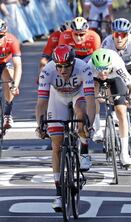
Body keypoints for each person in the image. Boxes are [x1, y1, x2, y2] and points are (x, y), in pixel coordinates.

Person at [35, 45, 96, 212]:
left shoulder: (84, 68)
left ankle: (83, 150)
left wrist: (89, 122)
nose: (62, 70)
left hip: (79, 96)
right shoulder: (47, 71)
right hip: (58, 98)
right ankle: (59, 193)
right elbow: (41, 103)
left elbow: (91, 100)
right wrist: (39, 124)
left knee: (82, 115)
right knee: (56, 144)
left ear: (73, 63)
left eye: (66, 66)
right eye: (59, 66)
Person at [99, 18, 131, 156]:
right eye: (116, 34)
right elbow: (103, 70)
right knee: (110, 88)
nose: (119, 38)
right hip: (112, 69)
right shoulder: (107, 43)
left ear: (128, 35)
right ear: (112, 34)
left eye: (123, 35)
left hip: (129, 68)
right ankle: (114, 112)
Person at [89, 48, 131, 166]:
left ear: (110, 65)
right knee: (92, 94)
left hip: (115, 78)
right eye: (99, 70)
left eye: (105, 69)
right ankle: (97, 129)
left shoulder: (117, 65)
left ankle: (124, 153)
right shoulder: (90, 67)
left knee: (121, 111)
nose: (102, 73)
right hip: (95, 81)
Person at [0, 19, 22, 130]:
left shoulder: (12, 40)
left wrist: (15, 85)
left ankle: (7, 114)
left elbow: (18, 65)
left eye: (0, 36)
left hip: (5, 62)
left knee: (8, 83)